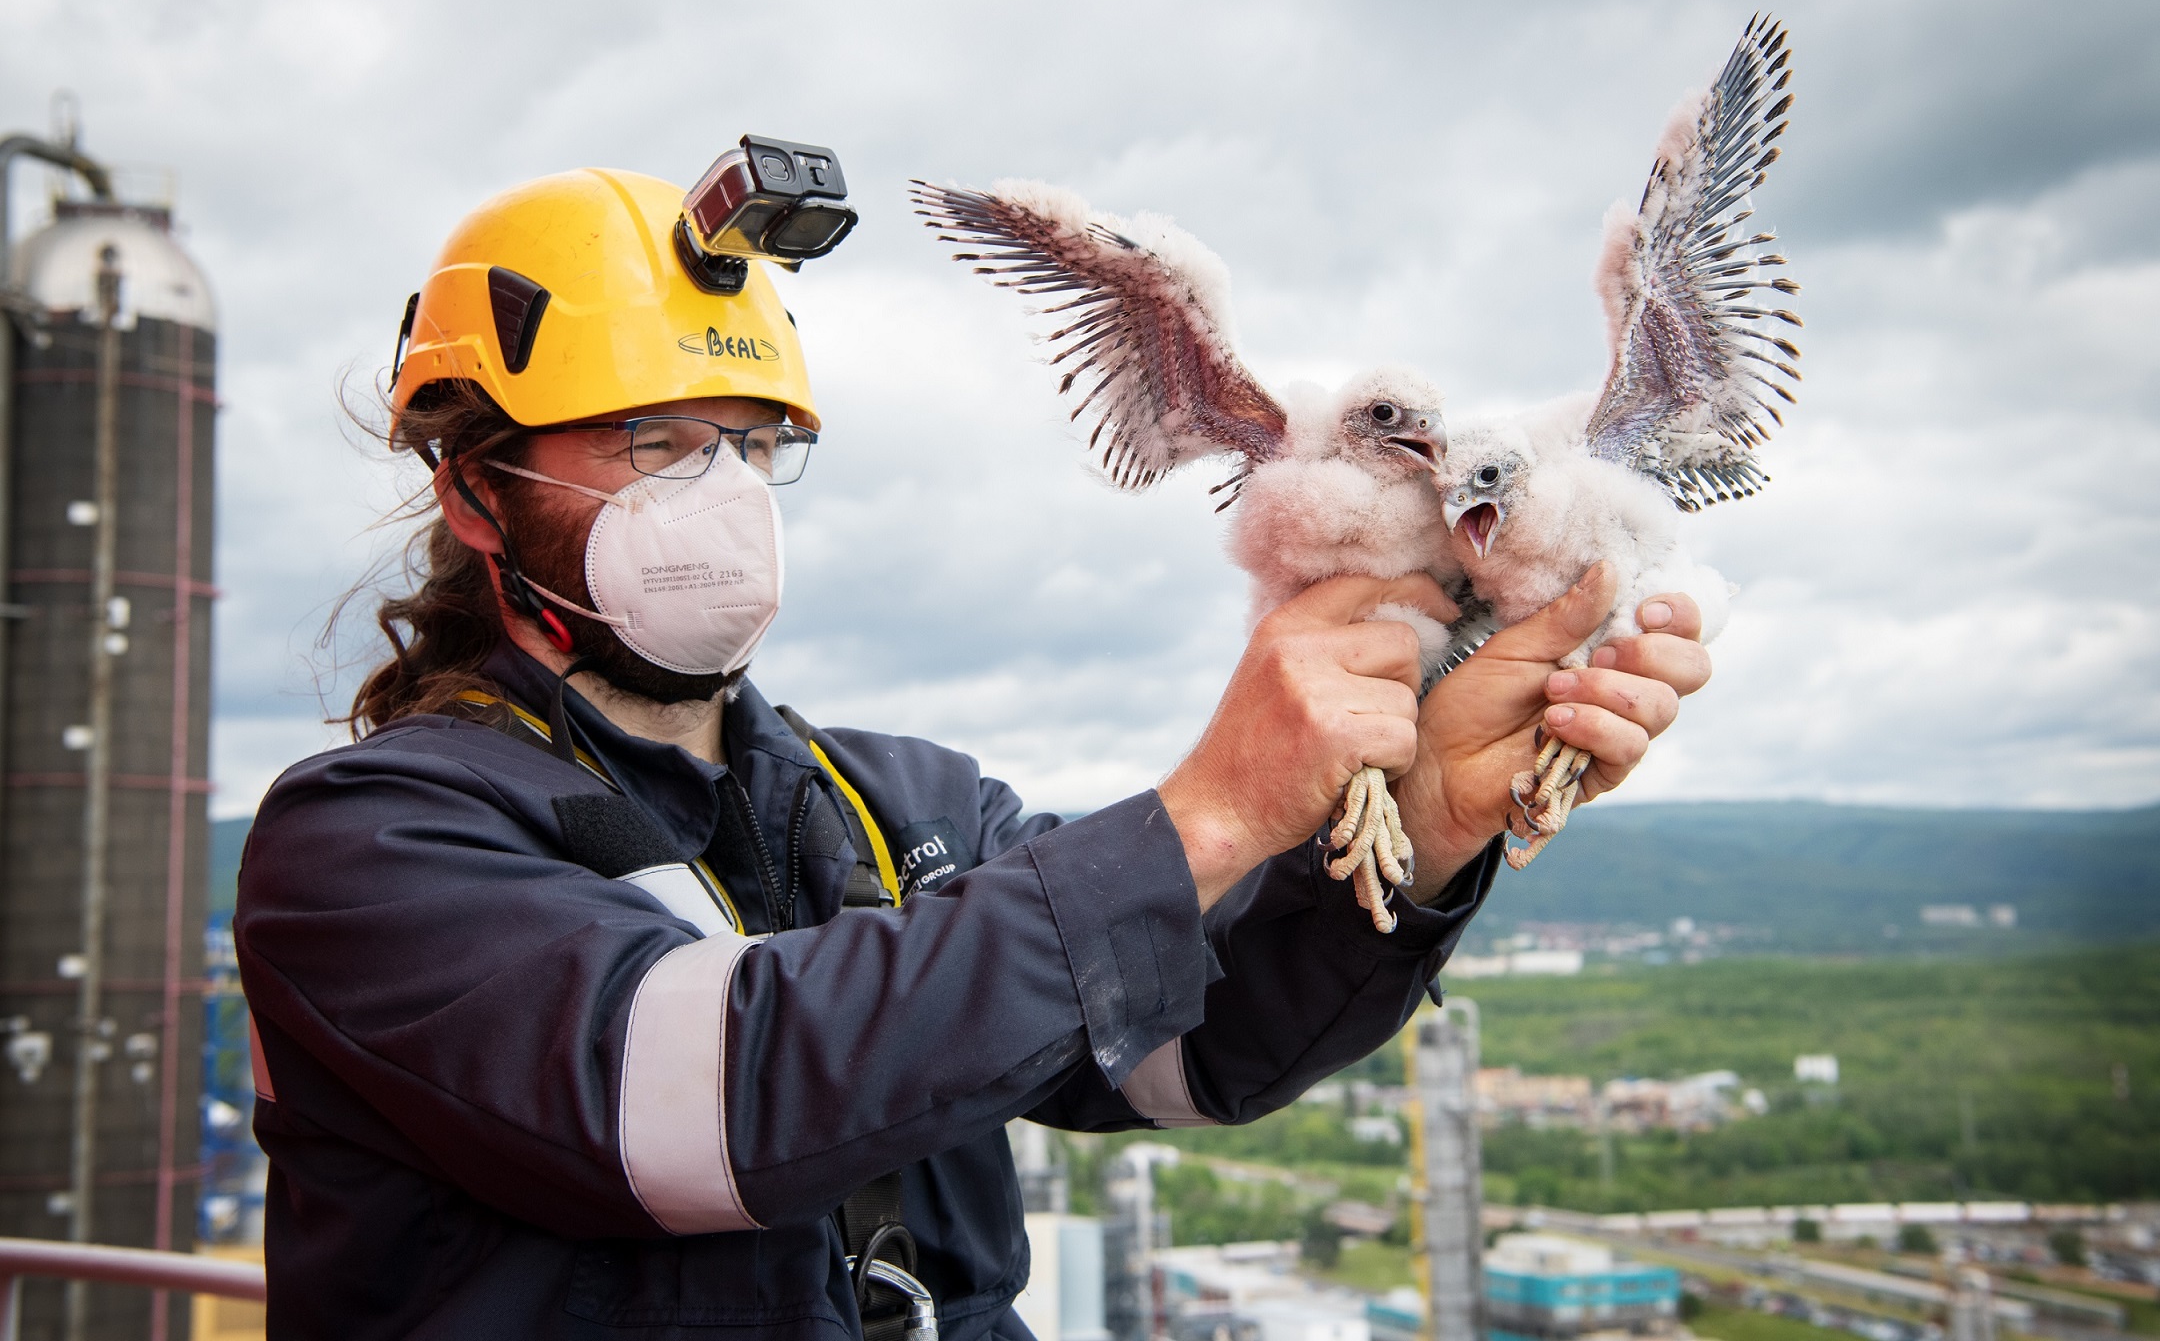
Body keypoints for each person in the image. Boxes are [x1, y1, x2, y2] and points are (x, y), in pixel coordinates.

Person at [236, 163, 1710, 1340]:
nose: (725, 493)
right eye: (652, 443)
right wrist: (1206, 812)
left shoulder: (896, 807)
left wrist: (1426, 832)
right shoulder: (364, 848)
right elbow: (703, 1099)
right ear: (477, 494)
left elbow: (1192, 1052)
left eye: (751, 444)